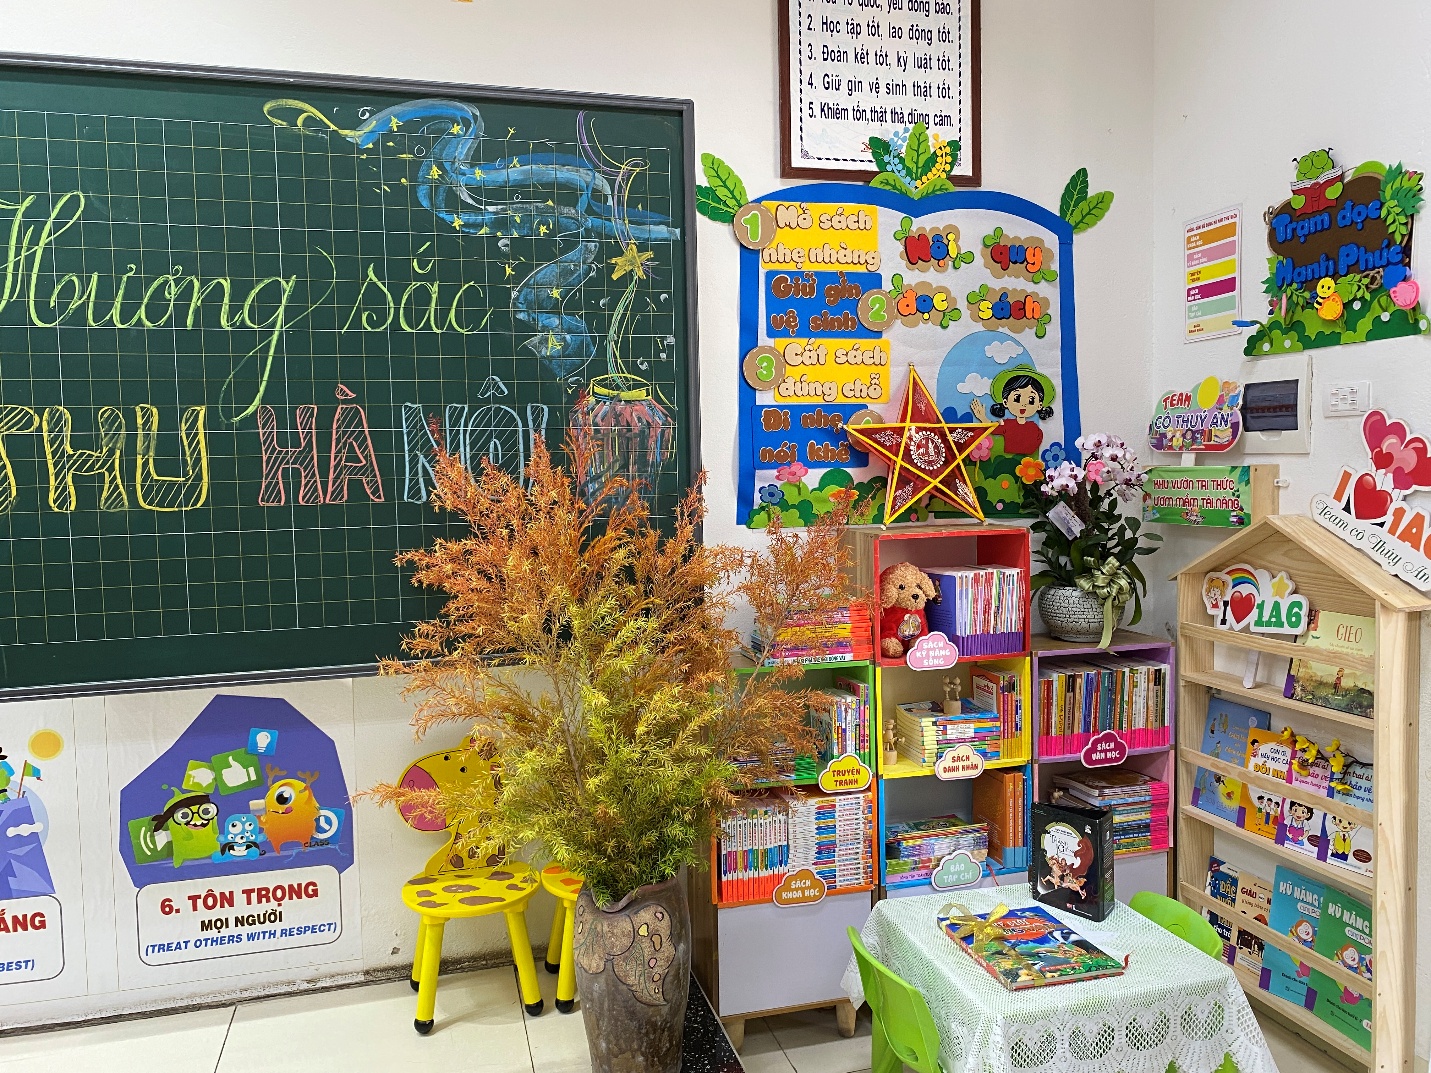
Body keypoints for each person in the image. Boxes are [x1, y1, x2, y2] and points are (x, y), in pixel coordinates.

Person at [969, 363, 1055, 456]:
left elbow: (1037, 442)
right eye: (1017, 398)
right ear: (1005, 402)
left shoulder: (1035, 429)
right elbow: (993, 429)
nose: (1023, 404)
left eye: (1031, 400)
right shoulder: (1007, 424)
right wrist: (982, 417)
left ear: (1039, 405)